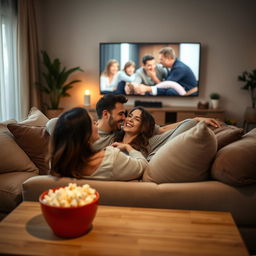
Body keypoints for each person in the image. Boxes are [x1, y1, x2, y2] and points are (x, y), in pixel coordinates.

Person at [49, 107, 148, 181]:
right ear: (85, 134)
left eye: (137, 119)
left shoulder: (58, 164)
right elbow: (143, 165)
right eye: (93, 122)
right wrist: (129, 148)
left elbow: (53, 124)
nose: (97, 125)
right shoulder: (112, 158)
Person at [132, 47, 199, 96]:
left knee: (170, 91)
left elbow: (166, 85)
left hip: (189, 93)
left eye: (161, 59)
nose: (160, 62)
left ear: (169, 59)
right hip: (180, 90)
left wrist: (152, 80)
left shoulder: (179, 68)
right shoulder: (170, 67)